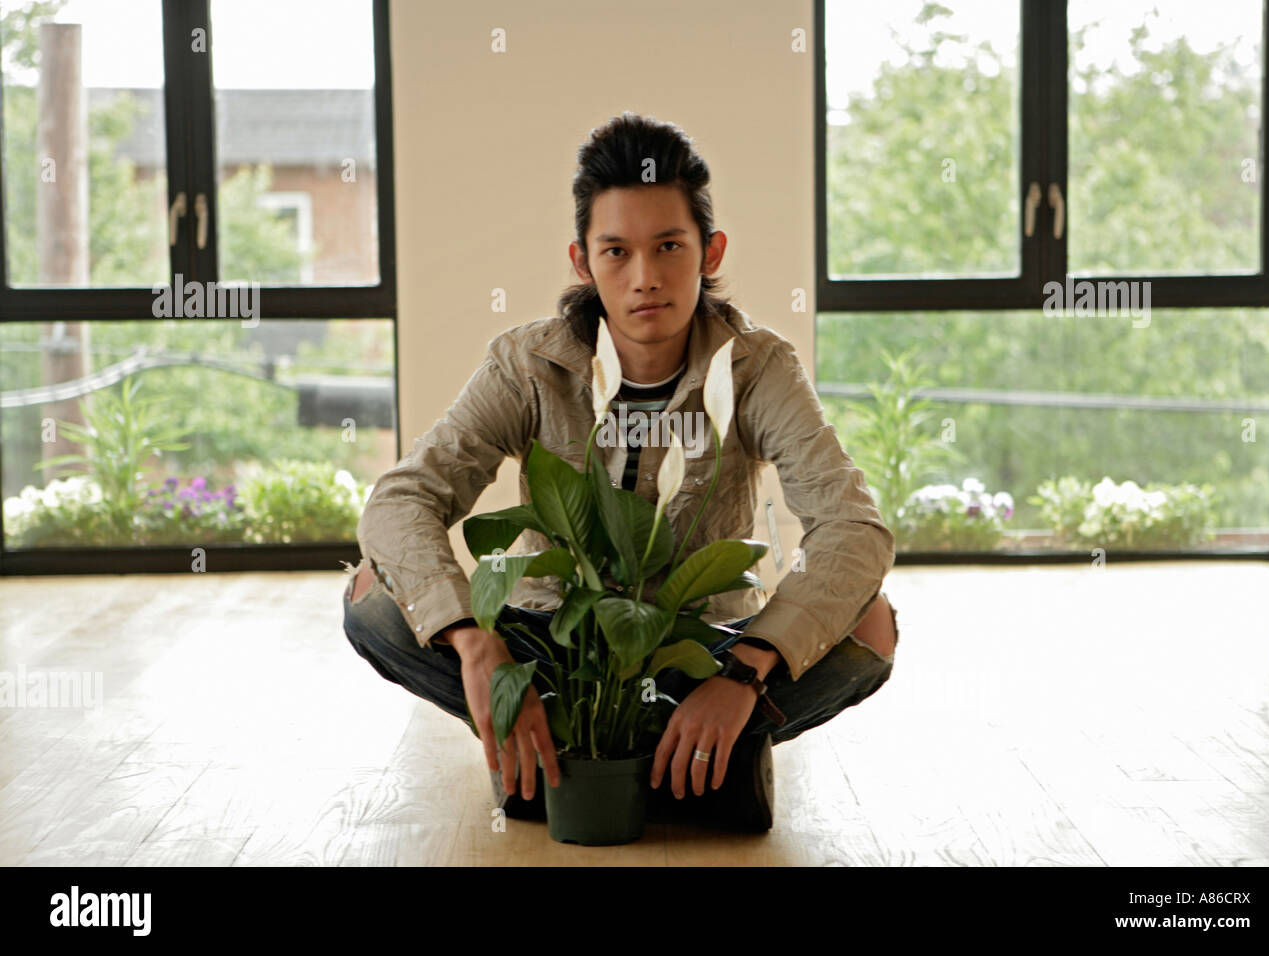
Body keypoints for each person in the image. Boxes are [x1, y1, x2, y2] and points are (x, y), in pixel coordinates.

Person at [341, 111, 899, 832]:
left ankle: (658, 747)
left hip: (701, 655)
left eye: (670, 246)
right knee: (372, 592)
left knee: (875, 623)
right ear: (582, 262)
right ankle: (642, 758)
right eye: (617, 252)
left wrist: (743, 673)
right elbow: (401, 501)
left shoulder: (758, 369)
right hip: (555, 657)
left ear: (709, 250)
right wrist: (476, 644)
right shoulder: (528, 365)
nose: (645, 279)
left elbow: (854, 528)